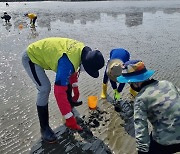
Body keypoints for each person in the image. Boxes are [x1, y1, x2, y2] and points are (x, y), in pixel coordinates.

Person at [22, 37, 105, 143]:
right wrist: (69, 119)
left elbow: (73, 70)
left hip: (52, 55)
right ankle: (44, 128)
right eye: (88, 70)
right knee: (44, 88)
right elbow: (59, 92)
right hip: (32, 57)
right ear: (85, 64)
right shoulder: (67, 63)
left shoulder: (82, 51)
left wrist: (75, 89)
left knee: (65, 79)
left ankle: (69, 104)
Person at [117, 60, 180, 154]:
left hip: (165, 142)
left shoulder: (141, 99)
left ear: (136, 82)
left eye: (130, 83)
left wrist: (142, 151)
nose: (130, 85)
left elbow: (141, 128)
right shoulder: (168, 83)